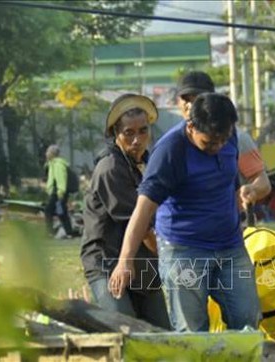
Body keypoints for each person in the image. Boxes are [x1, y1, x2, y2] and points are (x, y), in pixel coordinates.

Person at [109, 93, 261, 332]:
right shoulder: (171, 151)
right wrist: (125, 261)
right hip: (184, 249)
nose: (218, 146)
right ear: (191, 126)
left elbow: (229, 179)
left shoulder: (229, 137)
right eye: (209, 143)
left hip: (230, 246)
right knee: (192, 330)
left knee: (247, 318)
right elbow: (144, 208)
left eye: (223, 140)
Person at [79, 94, 170, 329]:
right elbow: (142, 225)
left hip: (144, 266)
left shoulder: (149, 164)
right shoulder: (110, 167)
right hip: (108, 264)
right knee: (128, 334)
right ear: (115, 134)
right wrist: (171, 256)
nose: (137, 139)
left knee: (163, 336)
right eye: (128, 133)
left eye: (143, 131)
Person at [175, 71, 272, 208]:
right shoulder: (172, 143)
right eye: (187, 100)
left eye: (198, 99)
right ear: (177, 102)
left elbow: (262, 182)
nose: (191, 106)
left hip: (229, 223)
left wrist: (252, 190)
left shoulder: (237, 138)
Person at [44, 144, 74, 238]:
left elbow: (61, 179)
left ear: (52, 153)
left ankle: (50, 232)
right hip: (56, 191)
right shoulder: (52, 164)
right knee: (61, 212)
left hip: (58, 192)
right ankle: (69, 232)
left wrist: (61, 191)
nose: (46, 154)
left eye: (48, 152)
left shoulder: (58, 164)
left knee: (48, 211)